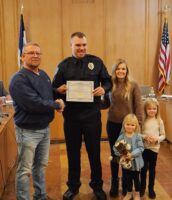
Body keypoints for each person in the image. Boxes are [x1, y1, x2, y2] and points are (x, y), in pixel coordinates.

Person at [52, 32, 112, 200]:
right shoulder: (63, 65)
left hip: (92, 116)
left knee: (94, 152)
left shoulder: (97, 62)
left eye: (84, 45)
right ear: (71, 45)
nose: (82, 48)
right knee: (72, 152)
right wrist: (58, 90)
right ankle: (73, 186)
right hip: (71, 117)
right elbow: (53, 87)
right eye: (78, 45)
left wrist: (104, 89)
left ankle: (97, 186)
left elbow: (108, 81)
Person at [9, 42, 65, 200]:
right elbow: (33, 103)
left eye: (38, 53)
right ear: (22, 56)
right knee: (25, 170)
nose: (35, 56)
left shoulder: (43, 74)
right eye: (31, 53)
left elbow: (46, 93)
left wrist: (56, 92)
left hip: (44, 129)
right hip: (27, 131)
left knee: (40, 166)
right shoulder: (18, 79)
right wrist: (56, 104)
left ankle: (40, 195)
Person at [104, 58, 143, 197]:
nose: (121, 71)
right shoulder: (109, 85)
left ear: (127, 71)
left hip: (129, 128)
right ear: (114, 71)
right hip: (113, 125)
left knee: (128, 155)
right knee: (116, 154)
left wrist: (139, 126)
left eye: (123, 69)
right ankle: (115, 182)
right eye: (118, 69)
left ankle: (127, 185)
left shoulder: (133, 85)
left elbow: (139, 107)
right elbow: (105, 104)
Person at [113, 114, 144, 200]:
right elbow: (116, 147)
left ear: (136, 126)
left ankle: (137, 193)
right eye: (128, 124)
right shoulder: (122, 136)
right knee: (128, 179)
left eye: (132, 125)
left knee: (136, 179)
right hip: (126, 164)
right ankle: (129, 193)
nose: (130, 127)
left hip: (136, 163)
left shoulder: (137, 136)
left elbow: (141, 148)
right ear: (124, 124)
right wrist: (121, 154)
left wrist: (132, 154)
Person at [140, 98, 165, 199]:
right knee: (143, 169)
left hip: (154, 149)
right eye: (149, 108)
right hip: (144, 148)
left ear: (157, 109)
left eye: (154, 109)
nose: (152, 110)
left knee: (152, 169)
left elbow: (163, 135)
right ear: (145, 109)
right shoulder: (143, 120)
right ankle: (142, 188)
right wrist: (145, 137)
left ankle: (151, 188)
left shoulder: (159, 121)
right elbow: (138, 134)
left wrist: (156, 139)